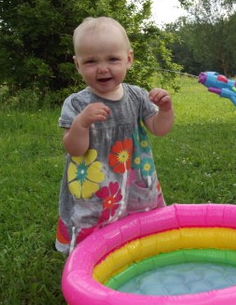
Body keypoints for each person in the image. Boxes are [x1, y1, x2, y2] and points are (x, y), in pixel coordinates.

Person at [55, 17, 174, 254]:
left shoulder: (137, 96)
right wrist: (81, 123)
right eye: (90, 61)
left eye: (112, 59)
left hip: (135, 180)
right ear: (77, 65)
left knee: (140, 225)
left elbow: (159, 129)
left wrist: (165, 110)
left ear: (128, 59)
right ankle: (90, 263)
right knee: (95, 227)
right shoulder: (77, 103)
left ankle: (136, 255)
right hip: (96, 188)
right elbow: (75, 149)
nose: (102, 68)